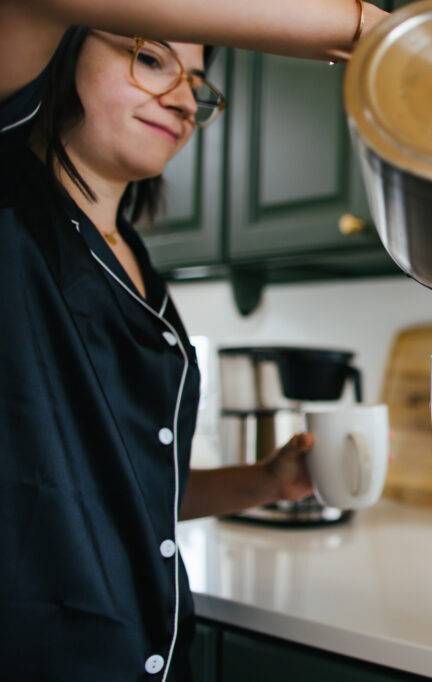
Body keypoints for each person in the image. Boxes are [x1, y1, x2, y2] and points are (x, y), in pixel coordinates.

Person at [0, 1, 385, 679]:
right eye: (151, 57)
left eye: (198, 83)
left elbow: (132, 489)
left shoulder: (141, 268)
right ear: (62, 45)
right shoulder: (10, 200)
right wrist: (361, 28)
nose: (183, 100)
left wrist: (265, 482)